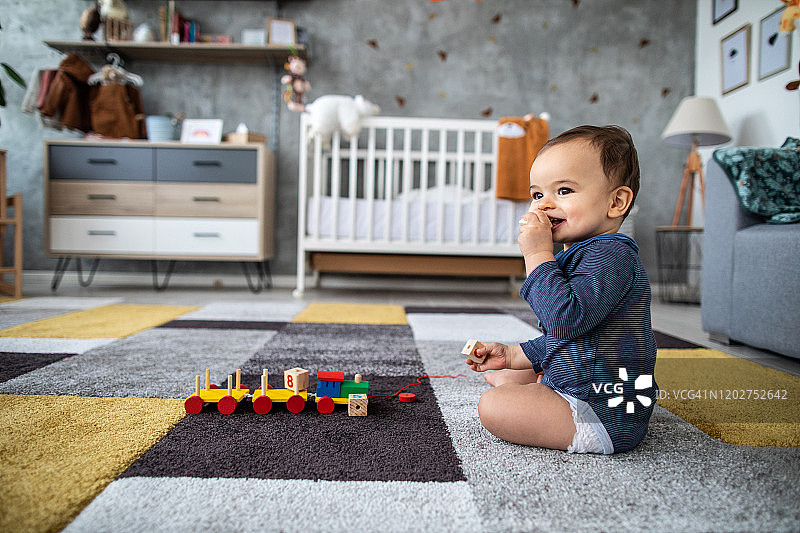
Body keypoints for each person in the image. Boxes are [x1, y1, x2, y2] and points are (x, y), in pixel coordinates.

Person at [467, 125, 658, 454]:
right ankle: (538, 385)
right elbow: (575, 337)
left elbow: (565, 321)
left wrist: (537, 255)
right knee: (510, 375)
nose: (543, 205)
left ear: (616, 202)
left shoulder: (611, 256)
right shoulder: (587, 253)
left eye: (564, 191)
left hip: (602, 412)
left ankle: (552, 400)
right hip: (592, 384)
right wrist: (512, 355)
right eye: (537, 195)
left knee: (493, 405)